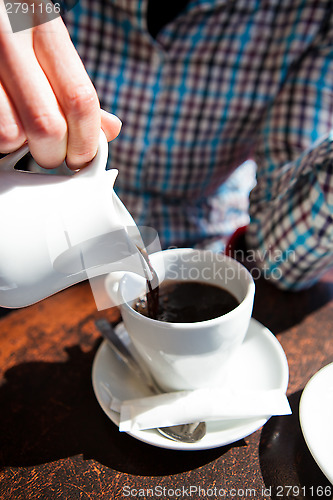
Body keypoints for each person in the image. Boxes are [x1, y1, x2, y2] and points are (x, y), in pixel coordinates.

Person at [0, 0, 332, 290]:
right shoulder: (37, 5)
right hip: (49, 240)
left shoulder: (315, 12)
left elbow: (280, 263)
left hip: (206, 247)